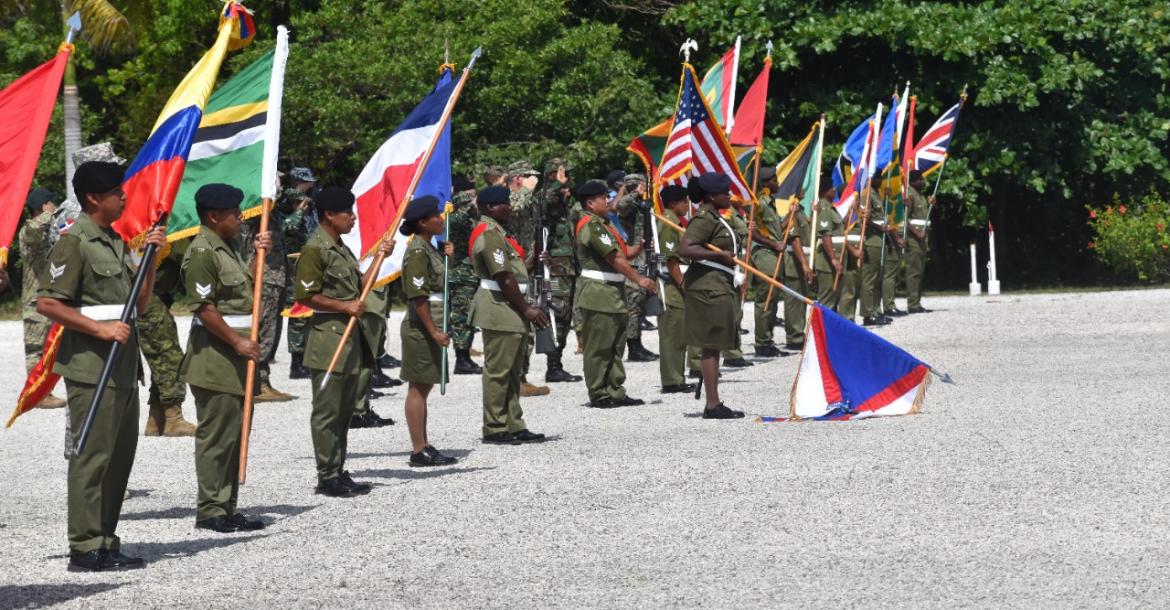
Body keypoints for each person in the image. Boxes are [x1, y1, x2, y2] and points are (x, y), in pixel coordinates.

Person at [38, 160, 167, 571]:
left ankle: (107, 540)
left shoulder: (114, 241)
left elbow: (139, 305)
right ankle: (84, 546)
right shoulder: (74, 242)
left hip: (124, 369)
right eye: (116, 191)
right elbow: (48, 303)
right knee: (91, 459)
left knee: (117, 460)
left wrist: (150, 258)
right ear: (95, 197)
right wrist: (100, 329)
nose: (124, 197)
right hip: (92, 369)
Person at [179, 183, 269, 533]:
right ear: (214, 216)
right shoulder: (202, 251)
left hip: (235, 354)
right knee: (217, 436)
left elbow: (238, 294)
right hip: (216, 356)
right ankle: (212, 509)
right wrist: (237, 341)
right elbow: (203, 307)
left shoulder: (226, 248)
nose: (241, 218)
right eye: (234, 213)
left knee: (234, 433)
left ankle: (227, 505)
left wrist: (256, 256)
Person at [293, 186, 390, 498]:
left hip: (350, 339)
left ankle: (338, 469)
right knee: (327, 411)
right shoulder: (316, 248)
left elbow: (359, 288)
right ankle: (326, 475)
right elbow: (306, 295)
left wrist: (379, 258)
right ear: (329, 215)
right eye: (348, 213)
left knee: (345, 410)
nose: (353, 218)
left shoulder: (340, 247)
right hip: (328, 339)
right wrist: (343, 306)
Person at [468, 185, 548, 444]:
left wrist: (532, 262)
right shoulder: (490, 234)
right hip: (500, 305)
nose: (510, 207)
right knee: (499, 370)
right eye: (505, 203)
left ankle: (514, 423)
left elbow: (513, 270)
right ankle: (494, 427)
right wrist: (527, 309)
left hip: (507, 305)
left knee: (513, 370)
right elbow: (503, 277)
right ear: (491, 207)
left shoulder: (499, 233)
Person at [574, 180, 657, 408]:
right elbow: (615, 258)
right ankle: (599, 393)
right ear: (590, 203)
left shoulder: (605, 224)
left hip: (612, 291)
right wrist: (639, 278)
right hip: (599, 292)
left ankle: (615, 389)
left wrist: (639, 247)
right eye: (603, 197)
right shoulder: (591, 225)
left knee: (616, 344)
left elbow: (624, 253)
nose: (608, 200)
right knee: (599, 346)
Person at [677, 173, 745, 419]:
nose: (729, 196)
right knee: (712, 344)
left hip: (719, 283)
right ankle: (713, 405)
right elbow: (685, 248)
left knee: (715, 344)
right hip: (708, 286)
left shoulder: (716, 217)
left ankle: (713, 402)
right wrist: (718, 255)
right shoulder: (705, 218)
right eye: (725, 193)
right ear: (712, 196)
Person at [397, 196, 458, 466]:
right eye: (436, 215)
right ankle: (418, 449)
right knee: (418, 387)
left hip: (432, 323)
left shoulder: (429, 248)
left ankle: (424, 444)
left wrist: (449, 258)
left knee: (426, 384)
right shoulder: (417, 252)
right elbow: (418, 296)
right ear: (422, 222)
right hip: (421, 327)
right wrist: (433, 331)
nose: (441, 219)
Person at [237, 172, 295, 403]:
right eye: (275, 182)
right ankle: (254, 383)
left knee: (271, 332)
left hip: (276, 279)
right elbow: (245, 246)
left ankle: (263, 379)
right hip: (262, 279)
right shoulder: (253, 214)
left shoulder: (272, 213)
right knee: (261, 331)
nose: (278, 186)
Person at [137, 237, 197, 436]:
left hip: (155, 292)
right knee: (168, 353)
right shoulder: (178, 225)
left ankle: (156, 417)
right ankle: (173, 418)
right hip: (144, 294)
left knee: (160, 357)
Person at [504, 160, 549, 397]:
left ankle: (521, 376)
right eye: (531, 177)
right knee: (516, 323)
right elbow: (513, 209)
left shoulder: (528, 199)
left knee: (529, 323)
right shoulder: (506, 198)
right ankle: (514, 378)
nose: (535, 181)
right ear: (519, 178)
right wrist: (526, 190)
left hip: (528, 267)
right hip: (511, 268)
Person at [19, 187, 67, 408]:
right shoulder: (28, 229)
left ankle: (44, 391)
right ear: (42, 206)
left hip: (50, 297)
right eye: (50, 203)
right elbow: (34, 230)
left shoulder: (48, 229)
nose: (54, 207)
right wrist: (50, 213)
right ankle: (37, 394)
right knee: (36, 348)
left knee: (52, 346)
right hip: (34, 300)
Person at [542, 159, 585, 366]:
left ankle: (557, 362)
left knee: (566, 315)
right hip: (556, 268)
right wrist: (557, 185)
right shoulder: (546, 200)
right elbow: (545, 200)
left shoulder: (565, 204)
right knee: (557, 313)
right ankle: (553, 364)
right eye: (563, 174)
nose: (568, 180)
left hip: (570, 268)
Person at [615, 173, 658, 362]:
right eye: (642, 186)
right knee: (633, 307)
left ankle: (637, 343)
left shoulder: (644, 206)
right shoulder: (631, 207)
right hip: (636, 260)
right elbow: (620, 206)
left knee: (640, 306)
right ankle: (633, 347)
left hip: (648, 258)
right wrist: (634, 194)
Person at [656, 185, 695, 394]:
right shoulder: (669, 222)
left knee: (679, 334)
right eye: (683, 201)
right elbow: (670, 260)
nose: (686, 205)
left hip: (675, 283)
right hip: (672, 286)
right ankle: (672, 381)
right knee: (673, 335)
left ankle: (676, 377)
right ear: (673, 204)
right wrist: (683, 285)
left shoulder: (674, 221)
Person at [281, 166, 317, 379]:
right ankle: (296, 363)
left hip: (310, 261)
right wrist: (300, 209)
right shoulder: (288, 201)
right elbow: (289, 229)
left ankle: (306, 358)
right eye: (307, 182)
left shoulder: (312, 200)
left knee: (311, 310)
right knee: (298, 312)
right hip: (295, 264)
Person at [446, 176, 483, 374]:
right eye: (470, 194)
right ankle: (462, 359)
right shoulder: (457, 216)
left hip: (470, 271)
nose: (473, 198)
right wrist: (468, 206)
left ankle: (465, 355)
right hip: (461, 273)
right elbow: (453, 223)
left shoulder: (471, 216)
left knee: (468, 316)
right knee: (461, 316)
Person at [747, 167, 786, 358]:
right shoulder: (760, 203)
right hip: (764, 255)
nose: (778, 183)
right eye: (775, 180)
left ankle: (767, 340)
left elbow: (776, 230)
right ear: (767, 182)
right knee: (766, 300)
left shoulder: (771, 203)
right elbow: (751, 231)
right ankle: (762, 343)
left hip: (774, 255)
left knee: (773, 301)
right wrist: (773, 243)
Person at [719, 196, 754, 368]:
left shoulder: (740, 214)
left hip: (740, 260)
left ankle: (734, 350)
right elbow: (727, 239)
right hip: (731, 263)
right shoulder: (727, 214)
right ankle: (731, 353)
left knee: (737, 309)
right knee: (731, 310)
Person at [781, 195, 815, 350]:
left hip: (803, 260)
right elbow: (793, 238)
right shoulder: (789, 208)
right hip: (794, 262)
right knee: (794, 301)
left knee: (801, 300)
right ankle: (794, 338)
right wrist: (804, 265)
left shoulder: (801, 210)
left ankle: (799, 334)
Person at [860, 178, 893, 327]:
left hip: (880, 240)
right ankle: (868, 314)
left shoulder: (876, 194)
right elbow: (863, 219)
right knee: (869, 279)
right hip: (872, 239)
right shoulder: (866, 195)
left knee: (878, 277)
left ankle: (876, 310)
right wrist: (879, 228)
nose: (881, 181)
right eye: (879, 178)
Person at [904, 169, 935, 313]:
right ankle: (912, 304)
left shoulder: (921, 195)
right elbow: (904, 218)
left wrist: (932, 205)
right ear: (913, 181)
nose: (922, 182)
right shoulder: (910, 195)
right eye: (920, 179)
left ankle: (917, 301)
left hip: (923, 238)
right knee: (914, 271)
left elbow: (923, 216)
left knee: (920, 271)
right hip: (914, 239)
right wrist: (916, 232)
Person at [814, 184, 845, 310]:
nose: (834, 189)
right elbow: (825, 235)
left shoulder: (831, 208)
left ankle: (830, 327)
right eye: (832, 188)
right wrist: (833, 258)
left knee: (835, 297)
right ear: (825, 191)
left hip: (836, 258)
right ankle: (822, 327)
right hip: (828, 262)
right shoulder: (824, 208)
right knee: (827, 298)